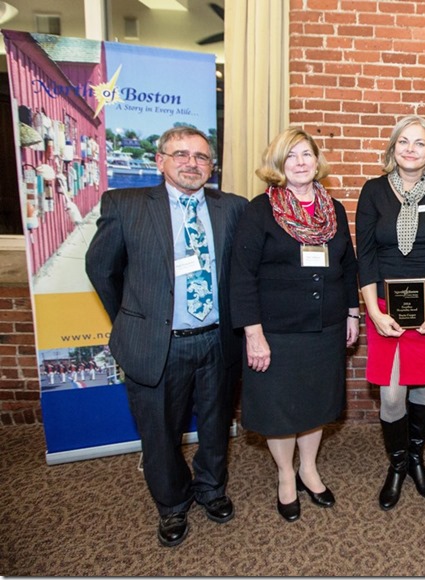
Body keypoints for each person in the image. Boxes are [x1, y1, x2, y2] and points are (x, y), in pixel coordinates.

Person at [86, 126, 247, 547]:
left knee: (216, 424)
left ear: (212, 167)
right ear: (160, 161)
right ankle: (173, 504)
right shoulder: (126, 204)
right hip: (157, 343)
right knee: (159, 431)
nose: (191, 163)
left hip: (216, 340)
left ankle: (211, 489)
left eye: (201, 157)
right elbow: (102, 270)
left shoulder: (233, 208)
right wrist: (134, 316)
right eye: (181, 154)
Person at [230, 128, 360, 523]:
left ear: (317, 161)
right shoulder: (260, 210)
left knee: (315, 404)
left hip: (326, 329)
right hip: (278, 332)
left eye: (307, 154)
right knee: (281, 409)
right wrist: (253, 334)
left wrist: (352, 313)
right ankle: (286, 475)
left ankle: (309, 468)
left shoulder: (332, 209)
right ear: (278, 165)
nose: (301, 163)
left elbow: (347, 264)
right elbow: (242, 275)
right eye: (291, 156)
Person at [356, 115, 425, 510]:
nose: (411, 149)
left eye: (420, 143)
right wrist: (372, 310)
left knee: (421, 387)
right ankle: (397, 464)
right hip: (384, 307)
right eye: (404, 141)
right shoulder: (373, 192)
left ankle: (417, 460)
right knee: (390, 393)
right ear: (393, 147)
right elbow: (365, 257)